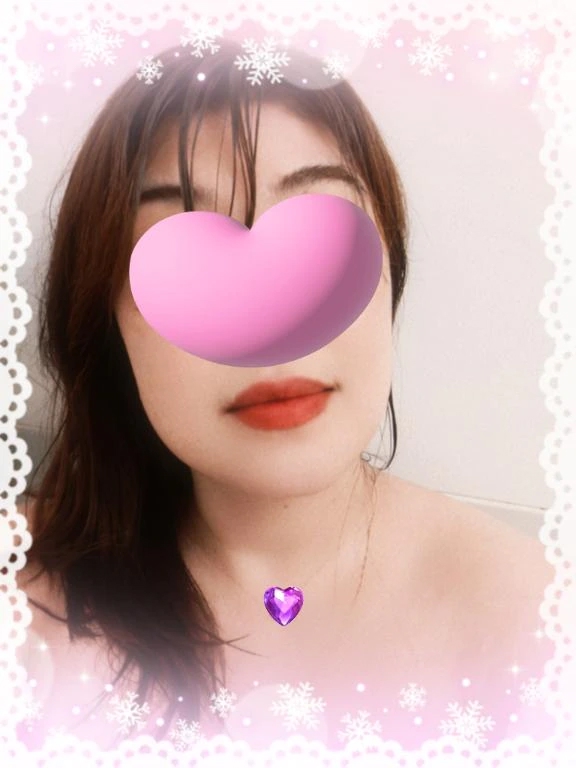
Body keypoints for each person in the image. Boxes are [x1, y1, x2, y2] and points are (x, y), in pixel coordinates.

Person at [16, 37, 554, 751]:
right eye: (184, 266)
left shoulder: (535, 620)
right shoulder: (22, 603)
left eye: (320, 247)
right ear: (106, 326)